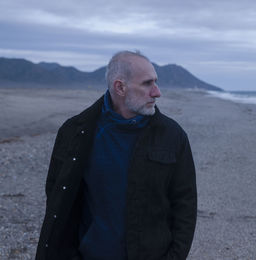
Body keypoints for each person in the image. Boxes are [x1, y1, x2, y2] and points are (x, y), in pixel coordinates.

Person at [36, 51, 197, 260]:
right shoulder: (75, 132)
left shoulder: (173, 136)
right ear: (120, 87)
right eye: (147, 84)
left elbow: (185, 205)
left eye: (156, 82)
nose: (157, 92)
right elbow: (58, 197)